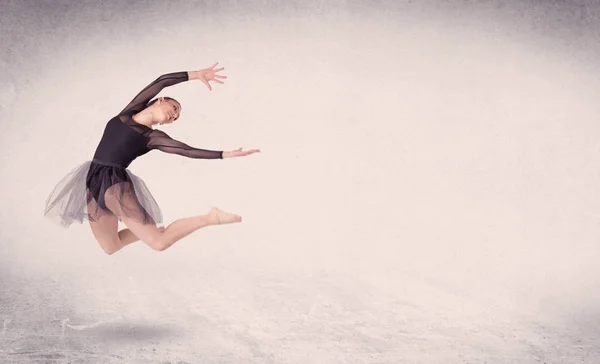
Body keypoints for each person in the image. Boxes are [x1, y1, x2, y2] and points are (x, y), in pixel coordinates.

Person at [44, 62, 260, 255]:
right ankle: (154, 231)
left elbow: (186, 150)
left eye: (176, 117)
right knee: (111, 247)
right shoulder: (127, 113)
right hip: (92, 180)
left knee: (159, 243)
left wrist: (224, 154)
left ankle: (210, 218)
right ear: (161, 101)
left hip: (114, 184)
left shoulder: (151, 137)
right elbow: (162, 80)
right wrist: (196, 74)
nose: (174, 115)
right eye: (174, 108)